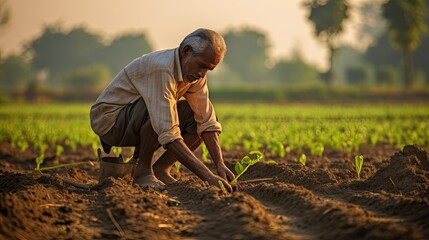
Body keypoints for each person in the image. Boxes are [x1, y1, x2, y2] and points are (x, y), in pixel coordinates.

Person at [90, 28, 235, 192]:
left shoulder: (195, 75)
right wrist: (208, 177)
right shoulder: (162, 68)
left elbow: (206, 121)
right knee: (160, 109)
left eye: (208, 69)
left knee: (192, 115)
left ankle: (161, 169)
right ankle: (143, 172)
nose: (202, 74)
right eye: (201, 66)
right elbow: (168, 130)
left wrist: (219, 165)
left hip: (136, 117)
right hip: (111, 121)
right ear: (186, 52)